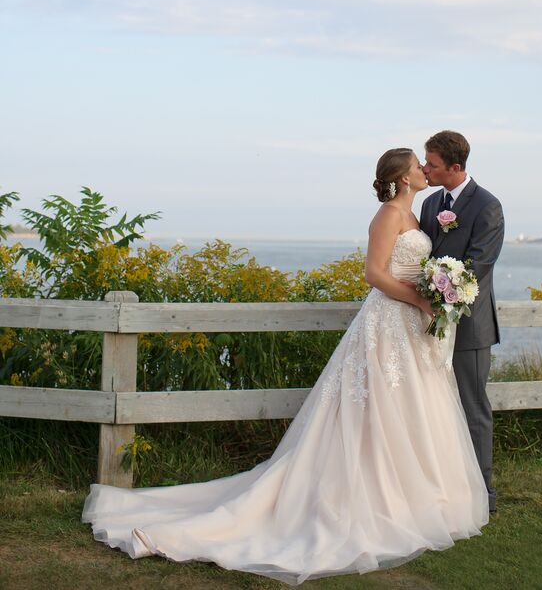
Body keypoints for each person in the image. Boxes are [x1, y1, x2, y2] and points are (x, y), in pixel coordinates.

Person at [83, 147, 489, 583]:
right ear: (403, 177)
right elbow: (374, 273)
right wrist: (419, 298)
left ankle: (412, 497)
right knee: (373, 409)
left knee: (408, 409)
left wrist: (435, 292)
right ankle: (363, 499)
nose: (424, 170)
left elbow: (416, 265)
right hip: (388, 321)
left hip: (410, 327)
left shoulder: (417, 214)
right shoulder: (389, 215)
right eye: (417, 166)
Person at [421, 130, 504, 514]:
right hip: (427, 325)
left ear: (455, 167)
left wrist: (441, 294)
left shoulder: (487, 206)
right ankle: (443, 486)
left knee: (472, 408)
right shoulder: (429, 203)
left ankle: (481, 493)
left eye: (432, 164)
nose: (425, 168)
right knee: (432, 407)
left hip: (469, 326)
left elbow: (477, 268)